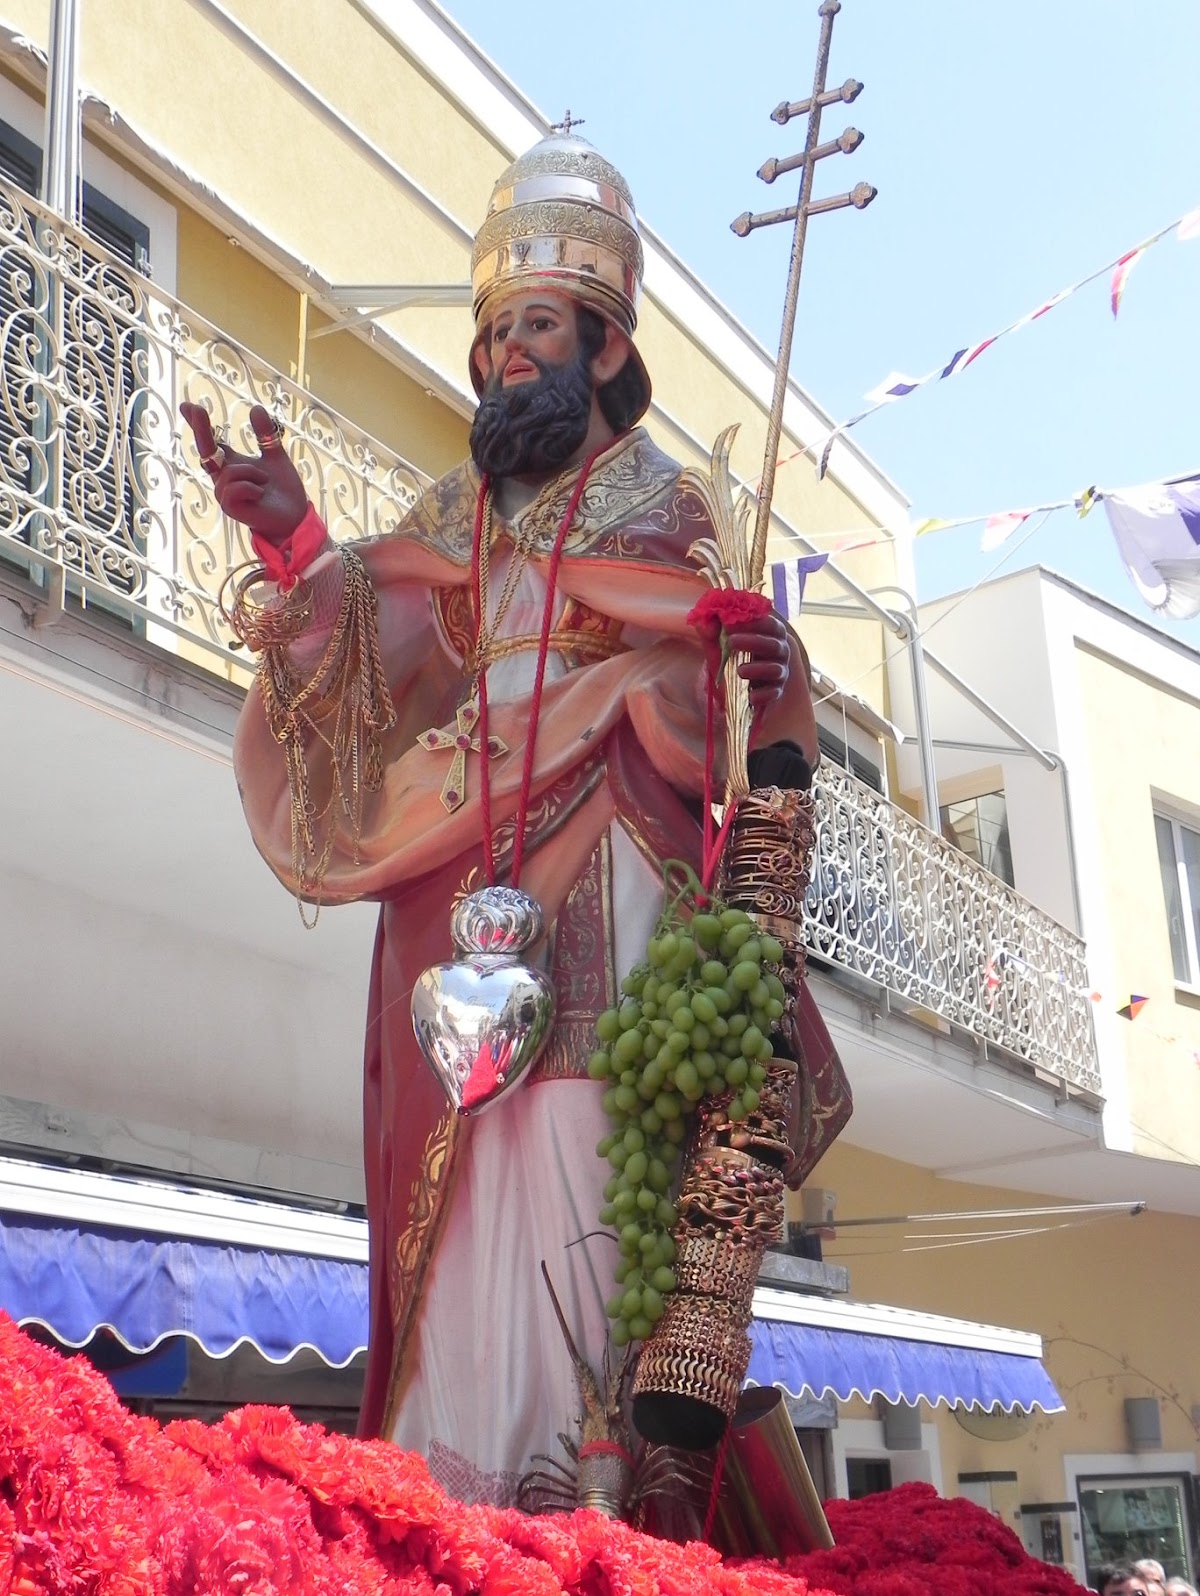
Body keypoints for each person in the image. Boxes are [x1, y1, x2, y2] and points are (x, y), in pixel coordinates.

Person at [181, 133, 849, 1506]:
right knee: (457, 1182)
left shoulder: (663, 501)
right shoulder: (448, 515)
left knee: (593, 1148)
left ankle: (599, 1487)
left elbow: (715, 692)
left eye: (537, 328)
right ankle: (459, 1501)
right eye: (494, 336)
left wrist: (727, 671)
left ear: (607, 348)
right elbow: (370, 679)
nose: (505, 360)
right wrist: (301, 550)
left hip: (615, 857)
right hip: (457, 875)